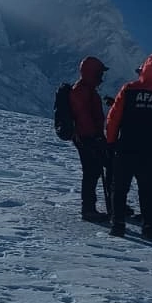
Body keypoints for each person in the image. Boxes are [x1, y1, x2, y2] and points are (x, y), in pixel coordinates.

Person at [105, 52, 152, 240]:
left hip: (126, 147)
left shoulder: (129, 89)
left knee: (119, 187)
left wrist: (110, 142)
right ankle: (148, 228)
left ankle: (117, 225)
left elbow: (113, 118)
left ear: (145, 67)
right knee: (147, 190)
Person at [69, 55, 110, 222]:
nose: (101, 77)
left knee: (94, 171)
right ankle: (88, 209)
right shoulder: (82, 91)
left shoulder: (87, 89)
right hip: (87, 138)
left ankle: (95, 207)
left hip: (89, 137)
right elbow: (84, 117)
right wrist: (95, 137)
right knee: (92, 172)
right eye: (100, 73)